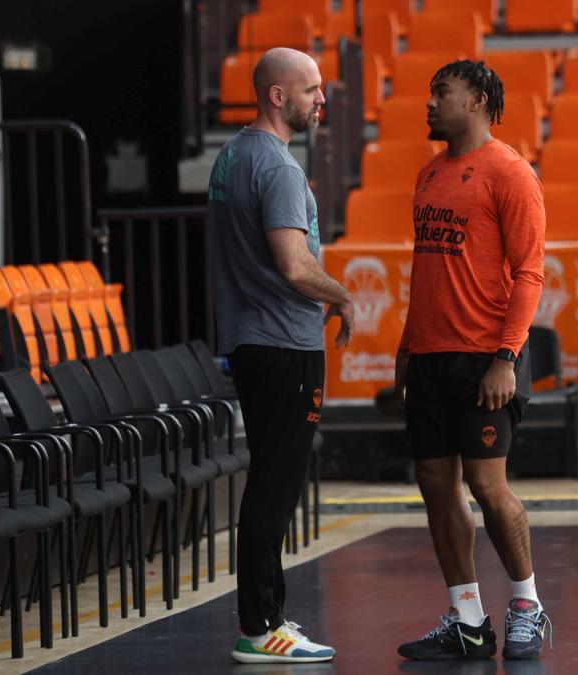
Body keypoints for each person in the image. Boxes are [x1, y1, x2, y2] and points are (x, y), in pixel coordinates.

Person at [394, 59, 551, 661]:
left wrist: (506, 357)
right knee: (436, 487)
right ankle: (466, 619)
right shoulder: (429, 175)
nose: (429, 104)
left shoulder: (510, 173)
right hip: (432, 359)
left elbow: (529, 273)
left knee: (488, 486)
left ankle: (527, 605)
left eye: (442, 93)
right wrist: (409, 347)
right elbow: (426, 271)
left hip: (487, 359)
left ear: (480, 99)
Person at [207, 47, 353, 664]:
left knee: (268, 480)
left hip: (250, 339)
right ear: (277, 96)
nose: (321, 99)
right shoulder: (278, 167)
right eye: (312, 89)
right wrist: (343, 295)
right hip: (283, 343)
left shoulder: (231, 156)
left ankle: (265, 617)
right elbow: (295, 266)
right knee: (275, 485)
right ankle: (261, 624)